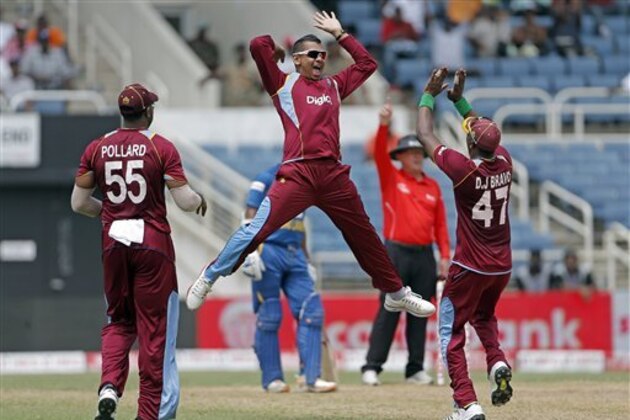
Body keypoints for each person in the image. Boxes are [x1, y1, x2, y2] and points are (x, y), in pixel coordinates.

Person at [186, 11, 436, 345]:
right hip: (298, 174)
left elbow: (367, 65)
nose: (321, 59)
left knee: (363, 234)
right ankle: (210, 274)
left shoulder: (334, 85)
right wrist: (276, 52)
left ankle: (394, 291)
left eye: (323, 54)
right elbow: (256, 44)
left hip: (333, 174)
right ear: (298, 60)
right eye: (313, 55)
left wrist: (341, 34)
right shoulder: (283, 84)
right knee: (256, 230)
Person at [71, 83, 207, 420]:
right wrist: (200, 200)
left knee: (118, 321)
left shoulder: (97, 147)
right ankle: (148, 415)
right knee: (154, 333)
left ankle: (108, 388)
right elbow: (185, 201)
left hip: (114, 243)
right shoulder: (159, 146)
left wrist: (114, 213)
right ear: (147, 111)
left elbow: (79, 203)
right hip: (153, 246)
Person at [416, 67, 513, 420]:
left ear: (471, 143)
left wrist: (428, 94)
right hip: (501, 265)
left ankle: (466, 403)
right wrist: (459, 101)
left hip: (470, 266)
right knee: (485, 315)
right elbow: (482, 131)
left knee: (451, 331)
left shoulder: (463, 169)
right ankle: (497, 360)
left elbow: (424, 134)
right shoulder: (504, 160)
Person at [361, 101, 451, 386]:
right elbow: (378, 152)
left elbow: (440, 226)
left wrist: (445, 256)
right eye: (410, 153)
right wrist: (384, 124)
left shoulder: (433, 186)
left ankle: (415, 369)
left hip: (424, 256)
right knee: (388, 310)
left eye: (419, 153)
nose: (415, 157)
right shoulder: (392, 178)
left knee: (420, 314)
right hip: (395, 254)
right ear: (400, 157)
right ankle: (372, 366)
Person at [242, 164, 337, 393]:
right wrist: (250, 250)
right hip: (269, 249)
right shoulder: (266, 176)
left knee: (312, 311)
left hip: (295, 253)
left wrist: (307, 259)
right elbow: (249, 213)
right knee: (270, 313)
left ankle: (310, 378)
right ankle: (272, 379)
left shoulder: (306, 181)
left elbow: (299, 224)